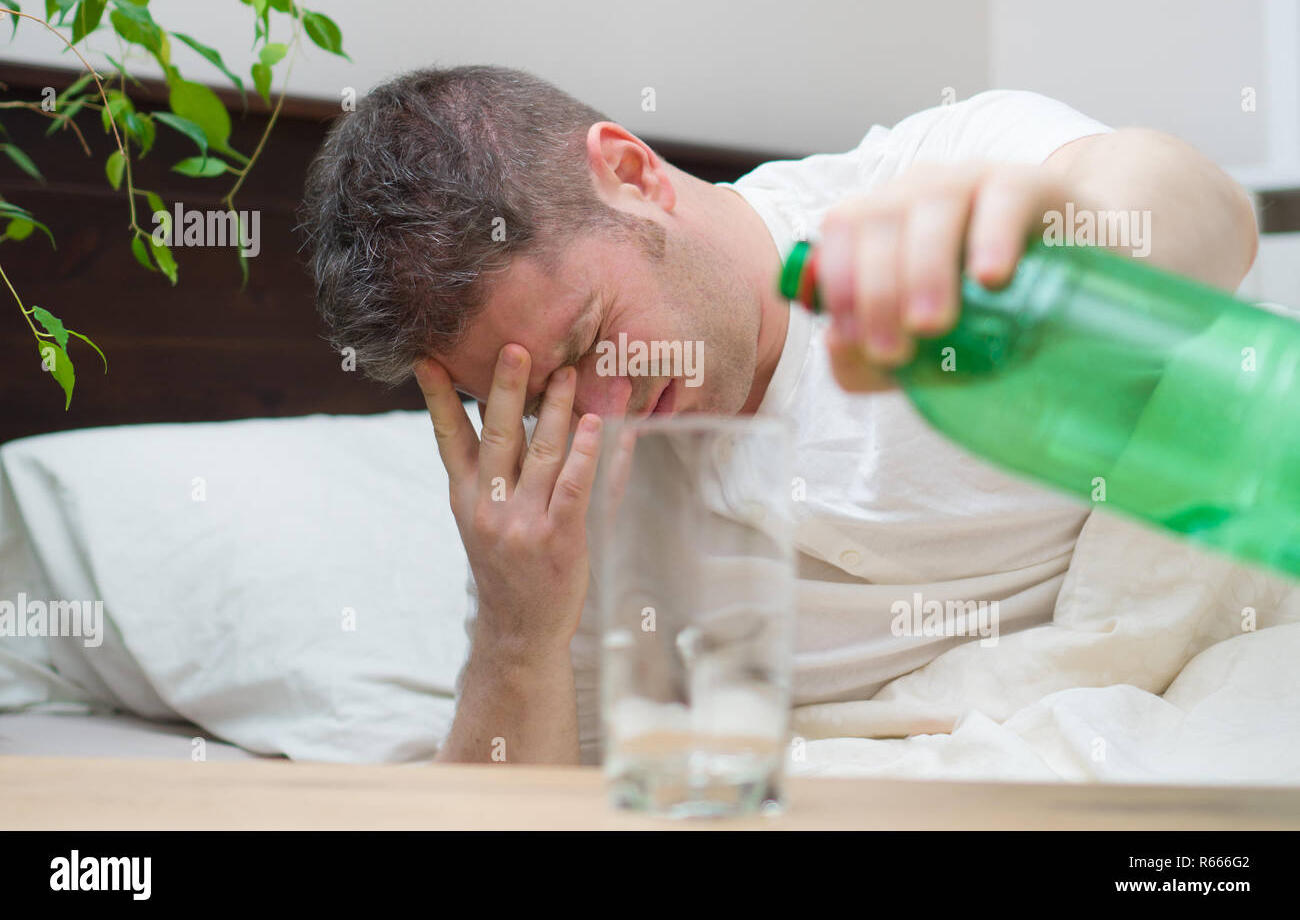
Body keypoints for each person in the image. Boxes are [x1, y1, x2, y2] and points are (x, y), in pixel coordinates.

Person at [300, 66, 1258, 765]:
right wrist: (518, 629)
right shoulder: (555, 509)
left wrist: (1054, 240)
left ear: (631, 174)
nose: (603, 407)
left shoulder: (924, 184)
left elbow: (1208, 219)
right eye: (541, 396)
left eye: (591, 340)